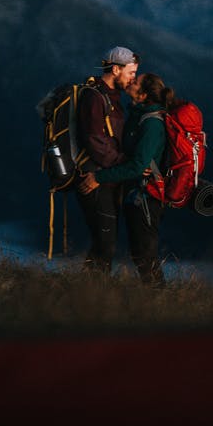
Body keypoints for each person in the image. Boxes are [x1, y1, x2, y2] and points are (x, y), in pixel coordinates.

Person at [79, 72, 179, 286]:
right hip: (136, 195)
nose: (130, 82)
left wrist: (99, 177)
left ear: (143, 95)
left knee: (144, 255)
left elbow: (138, 165)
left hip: (147, 197)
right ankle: (157, 300)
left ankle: (161, 301)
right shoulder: (137, 115)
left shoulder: (152, 124)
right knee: (139, 253)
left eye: (135, 82)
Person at [75, 46, 139, 273]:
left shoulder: (111, 96)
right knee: (105, 243)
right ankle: (92, 296)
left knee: (104, 242)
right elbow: (95, 140)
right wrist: (124, 163)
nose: (133, 79)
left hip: (107, 178)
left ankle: (88, 293)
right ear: (115, 69)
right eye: (130, 73)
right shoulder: (94, 97)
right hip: (94, 177)